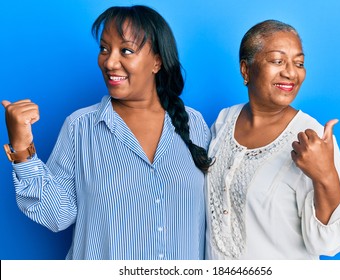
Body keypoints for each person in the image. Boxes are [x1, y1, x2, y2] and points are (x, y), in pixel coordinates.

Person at [2, 5, 212, 260]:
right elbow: (56, 215)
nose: (109, 62)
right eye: (104, 49)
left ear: (157, 61)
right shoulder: (79, 127)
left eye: (126, 50)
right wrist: (22, 147)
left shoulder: (195, 124)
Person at [205, 19, 340, 260]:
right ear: (246, 70)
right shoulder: (224, 120)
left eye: (299, 63)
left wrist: (325, 177)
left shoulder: (312, 137)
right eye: (278, 61)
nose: (291, 72)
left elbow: (329, 242)